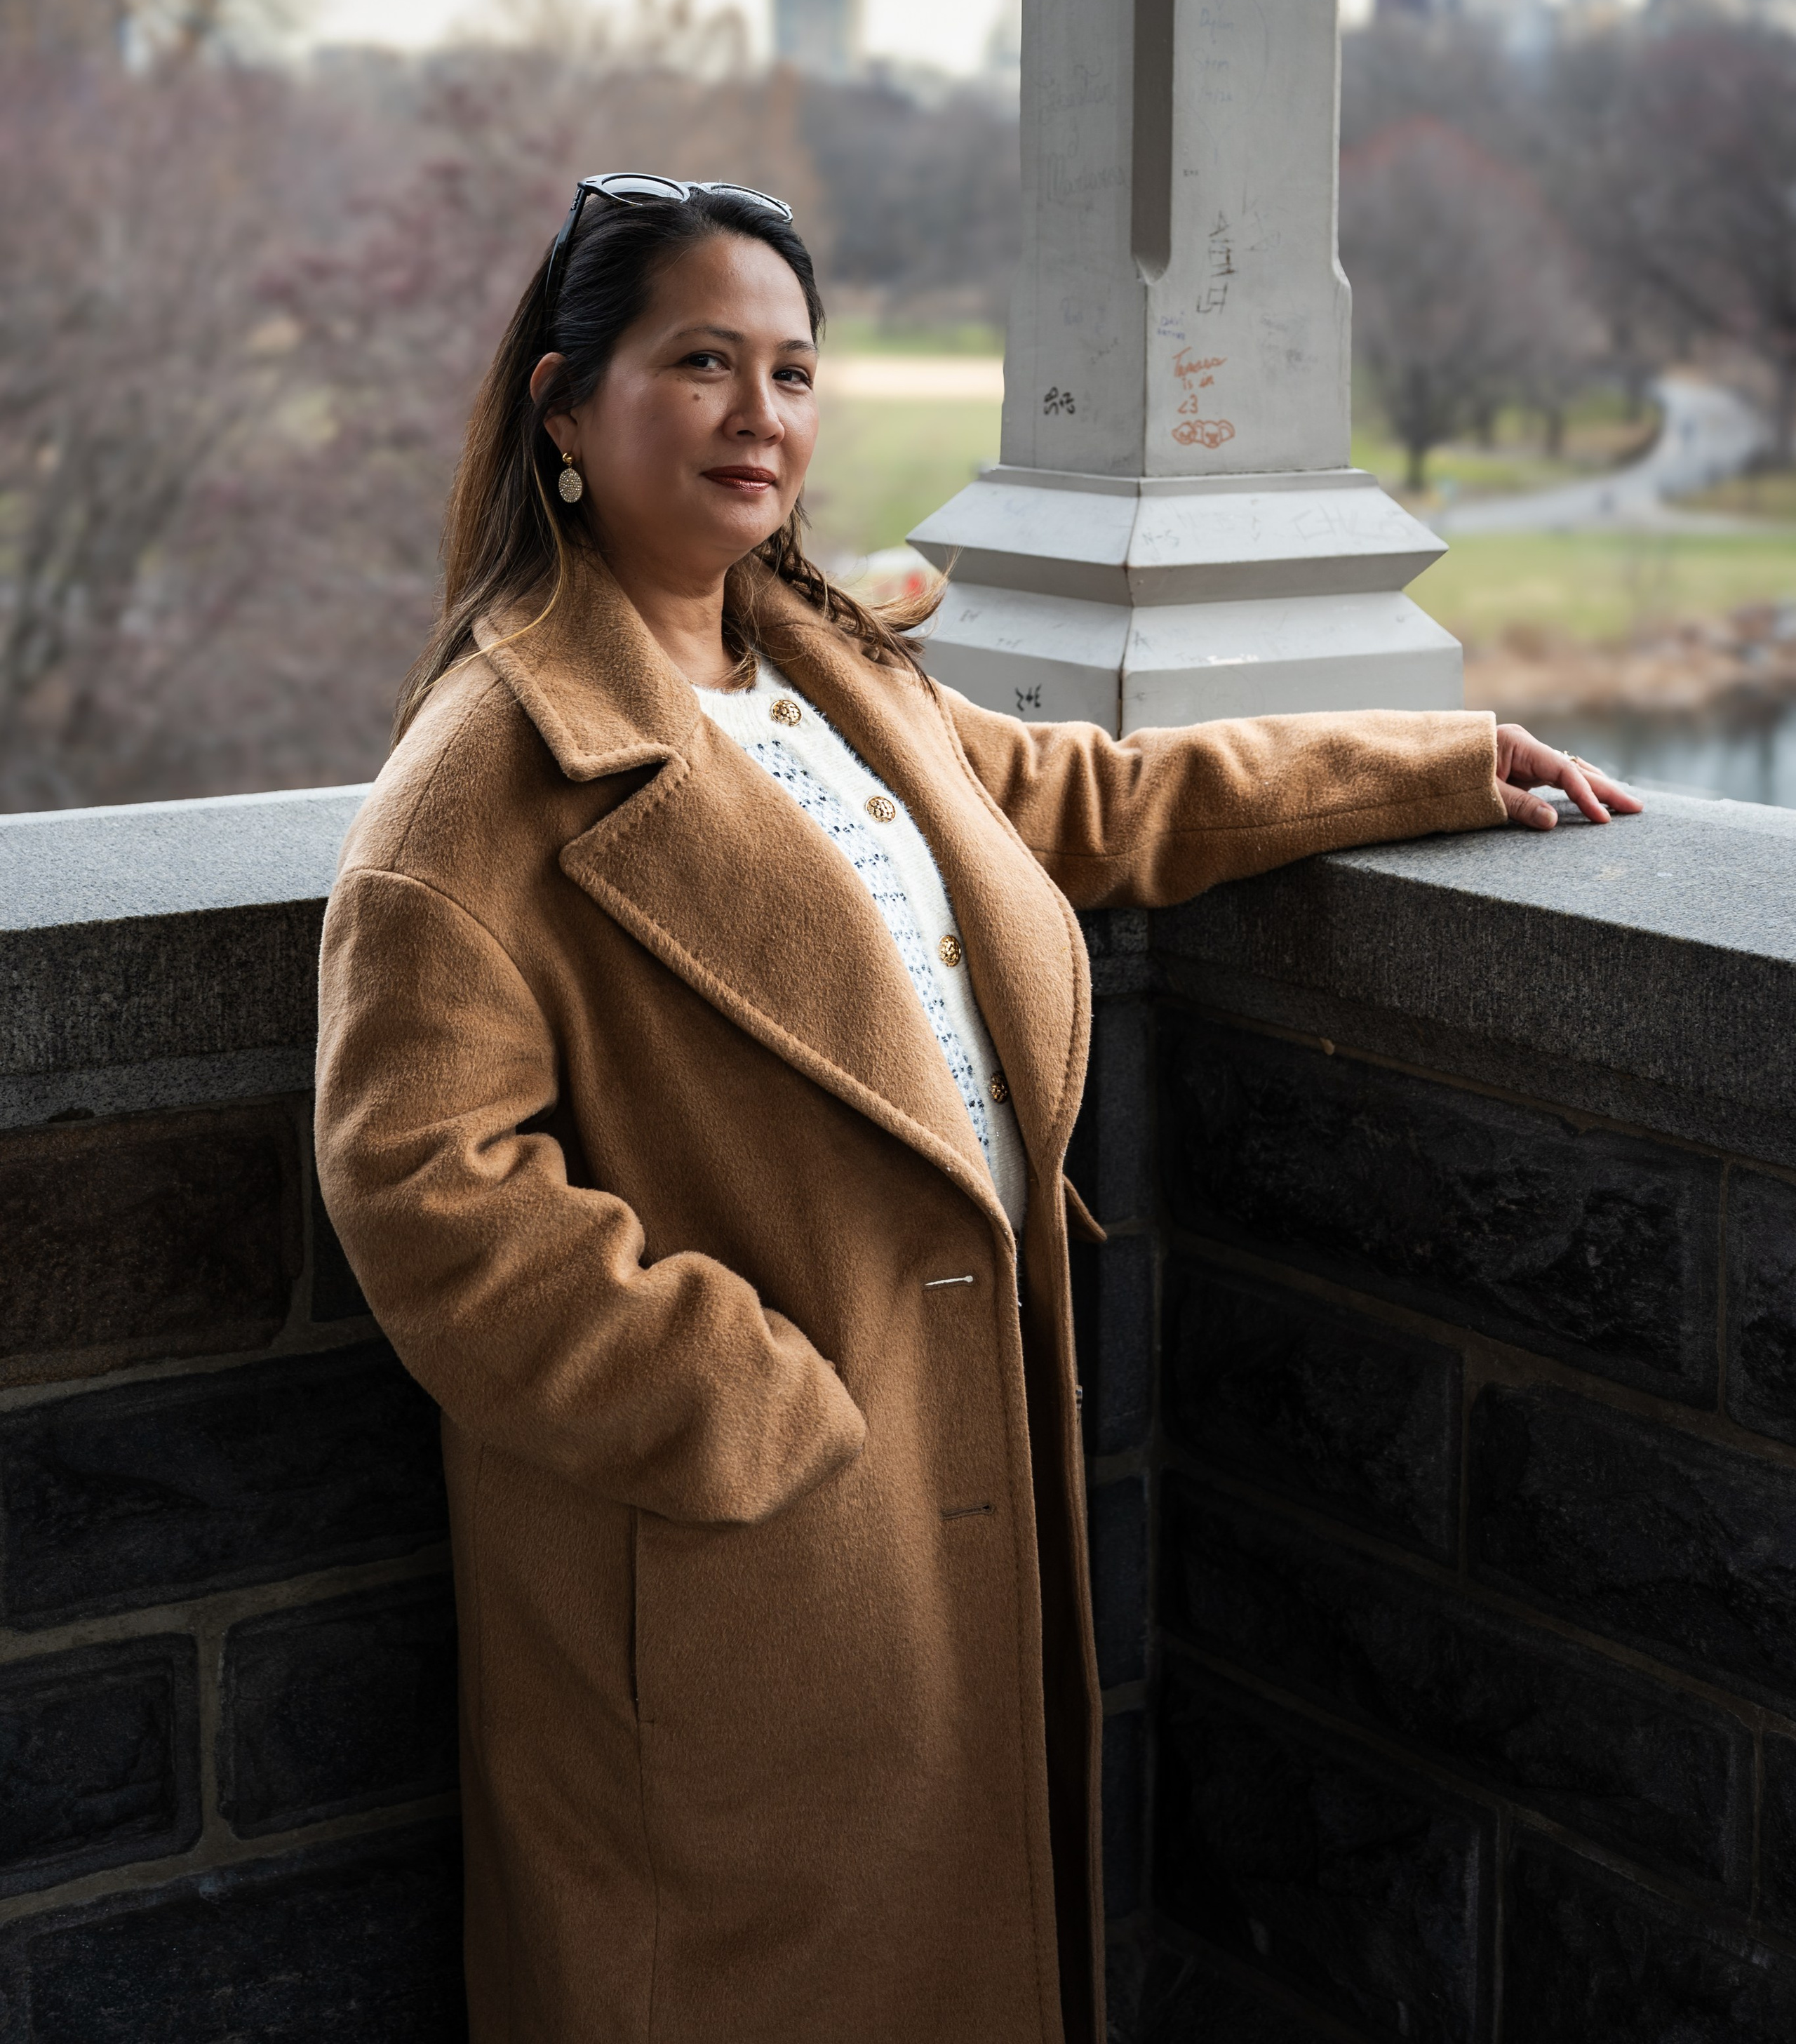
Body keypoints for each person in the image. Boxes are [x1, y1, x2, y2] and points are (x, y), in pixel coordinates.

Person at [314, 175, 1640, 2044]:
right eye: (700, 362)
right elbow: (423, 1190)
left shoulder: (825, 668)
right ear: (562, 408)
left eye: (790, 367)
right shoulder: (484, 776)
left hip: (948, 1491)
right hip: (745, 1547)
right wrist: (754, 1402)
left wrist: (1427, 762)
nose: (760, 414)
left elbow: (1091, 801)